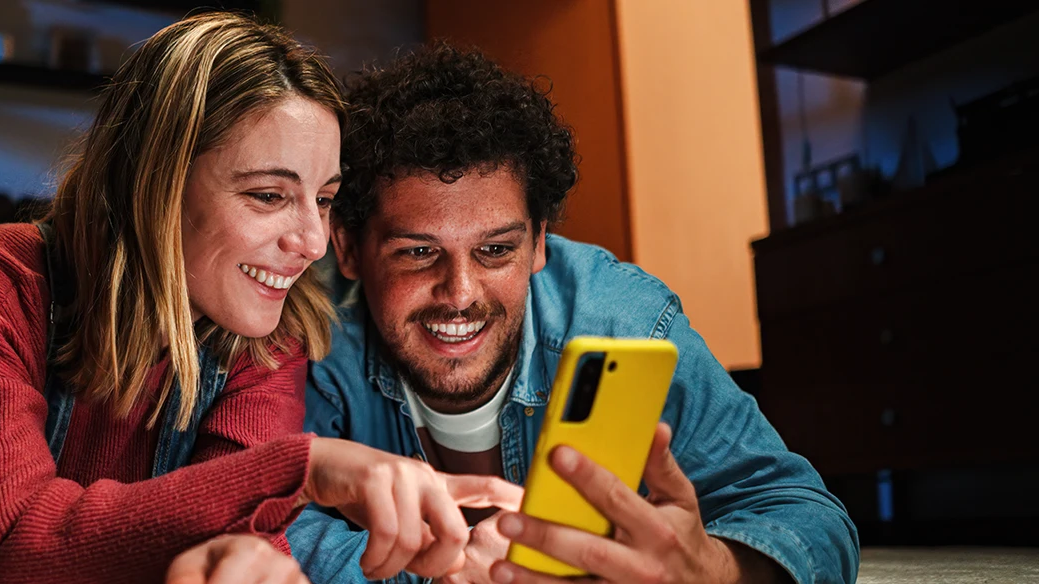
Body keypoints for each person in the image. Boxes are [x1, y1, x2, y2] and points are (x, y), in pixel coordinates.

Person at [0, 15, 519, 584]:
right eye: (268, 195)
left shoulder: (271, 328)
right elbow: (7, 554)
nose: (314, 244)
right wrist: (308, 465)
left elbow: (237, 514)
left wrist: (247, 554)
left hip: (109, 532)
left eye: (322, 200)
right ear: (151, 182)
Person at [288, 44, 860, 584]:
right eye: (418, 252)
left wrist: (711, 567)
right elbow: (249, 516)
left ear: (539, 243)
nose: (460, 293)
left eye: (496, 250)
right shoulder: (309, 328)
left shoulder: (626, 322)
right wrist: (444, 573)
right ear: (348, 248)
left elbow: (810, 517)